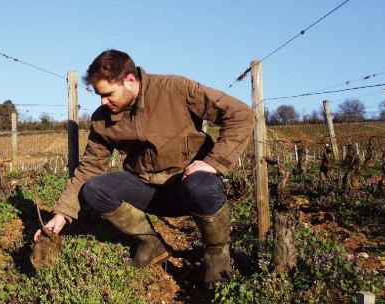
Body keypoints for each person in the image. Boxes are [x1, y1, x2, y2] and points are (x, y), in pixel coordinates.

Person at [33, 49, 254, 288]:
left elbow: (240, 114)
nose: (103, 102)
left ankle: (217, 254)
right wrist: (61, 214)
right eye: (99, 95)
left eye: (108, 94)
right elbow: (89, 168)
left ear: (129, 80)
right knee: (94, 188)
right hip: (147, 191)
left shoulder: (175, 88)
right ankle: (151, 243)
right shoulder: (102, 119)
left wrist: (213, 163)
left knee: (201, 185)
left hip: (189, 186)